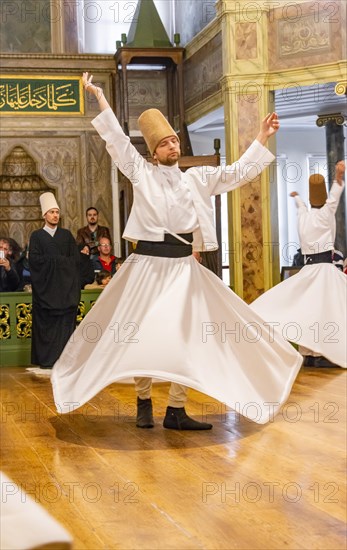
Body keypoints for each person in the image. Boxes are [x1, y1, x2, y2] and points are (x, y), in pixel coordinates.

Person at [51, 72, 302, 430]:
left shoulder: (197, 179)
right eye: (166, 143)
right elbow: (117, 141)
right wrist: (99, 97)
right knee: (140, 333)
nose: (173, 146)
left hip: (184, 269)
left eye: (174, 141)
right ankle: (143, 401)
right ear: (154, 151)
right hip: (147, 266)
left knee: (189, 335)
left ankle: (176, 410)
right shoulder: (141, 173)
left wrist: (261, 136)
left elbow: (237, 173)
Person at [252, 161, 346, 368]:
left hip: (307, 269)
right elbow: (334, 197)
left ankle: (308, 352)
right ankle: (323, 351)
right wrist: (339, 177)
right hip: (324, 269)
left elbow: (301, 207)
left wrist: (296, 198)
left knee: (307, 309)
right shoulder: (325, 214)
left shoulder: (303, 216)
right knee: (327, 309)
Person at [28, 192, 81, 371]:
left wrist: (56, 261)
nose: (55, 215)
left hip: (65, 291)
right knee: (47, 327)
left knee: (66, 326)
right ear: (44, 215)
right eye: (51, 212)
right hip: (46, 292)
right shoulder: (36, 236)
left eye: (57, 212)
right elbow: (34, 262)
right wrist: (58, 261)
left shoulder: (66, 236)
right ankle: (47, 360)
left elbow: (75, 261)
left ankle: (65, 360)